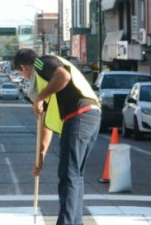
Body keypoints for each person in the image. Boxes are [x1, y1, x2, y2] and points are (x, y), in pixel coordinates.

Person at [13, 49, 100, 225]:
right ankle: (75, 222)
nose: (24, 77)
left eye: (20, 73)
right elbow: (45, 122)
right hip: (89, 116)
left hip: (79, 115)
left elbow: (63, 76)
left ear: (24, 67)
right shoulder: (45, 82)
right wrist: (41, 155)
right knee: (75, 175)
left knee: (68, 174)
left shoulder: (40, 63)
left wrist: (39, 98)